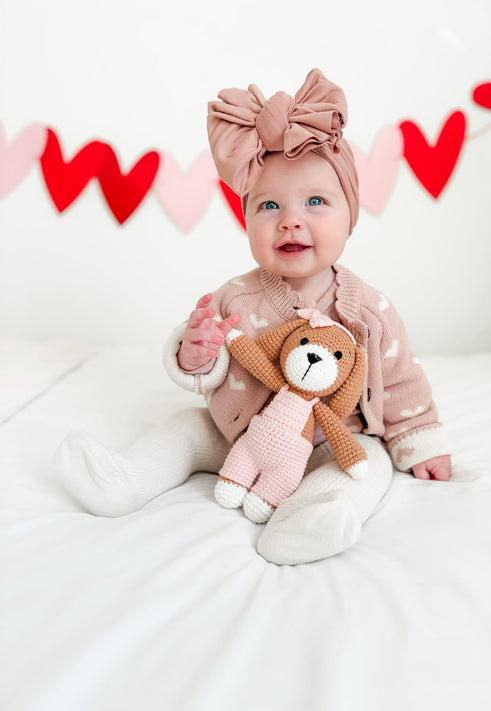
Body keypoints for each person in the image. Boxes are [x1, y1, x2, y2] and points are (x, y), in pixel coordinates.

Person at [56, 69, 451, 565]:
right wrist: (194, 352)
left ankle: (309, 518)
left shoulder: (369, 309)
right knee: (185, 426)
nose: (291, 219)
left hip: (331, 441)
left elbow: (400, 384)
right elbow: (207, 368)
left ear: (349, 213)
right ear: (246, 219)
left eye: (315, 202)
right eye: (268, 205)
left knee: (370, 465)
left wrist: (420, 442)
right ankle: (124, 481)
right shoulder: (236, 297)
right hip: (240, 435)